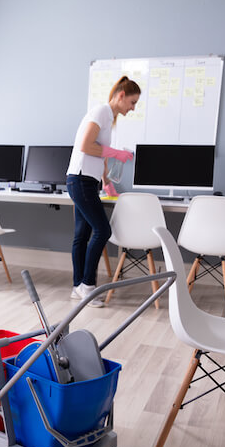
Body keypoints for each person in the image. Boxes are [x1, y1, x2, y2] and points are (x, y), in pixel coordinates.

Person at [66, 75, 140, 306]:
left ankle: (78, 287)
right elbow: (86, 146)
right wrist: (116, 153)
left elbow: (98, 152)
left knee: (82, 235)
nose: (133, 108)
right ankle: (87, 286)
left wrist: (106, 181)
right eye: (132, 102)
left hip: (86, 181)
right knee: (103, 231)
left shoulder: (109, 118)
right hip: (80, 180)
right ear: (121, 96)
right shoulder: (100, 112)